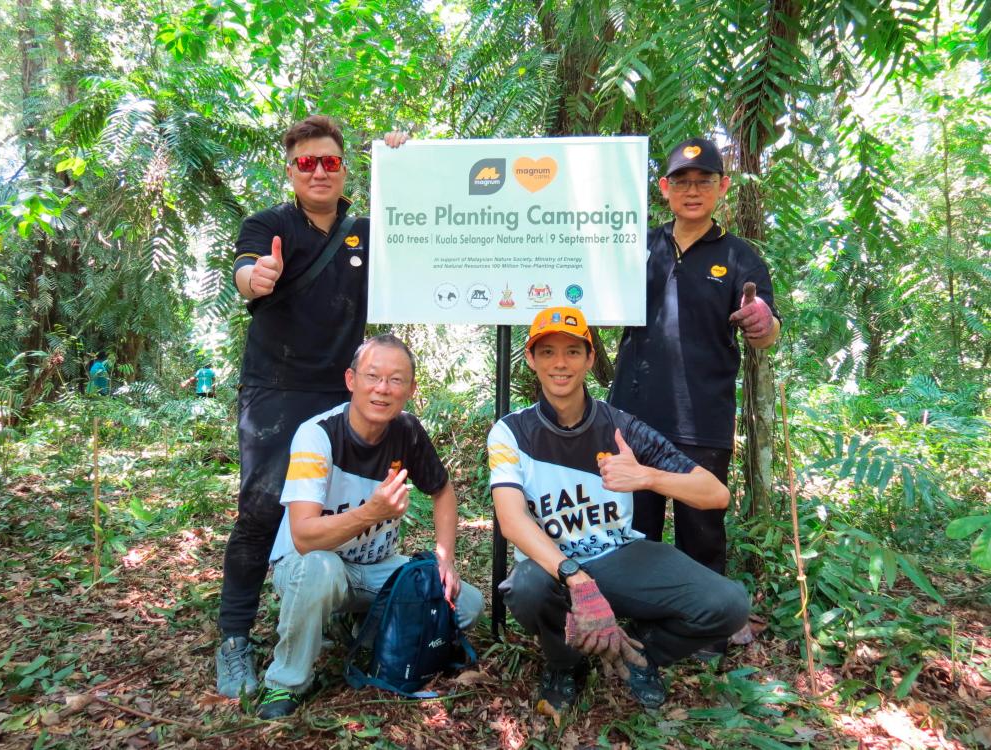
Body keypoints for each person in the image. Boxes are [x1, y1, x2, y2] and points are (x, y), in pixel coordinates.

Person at [216, 115, 409, 698]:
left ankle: (341, 607)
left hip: (344, 391)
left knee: (341, 505)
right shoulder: (268, 224)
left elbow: (416, 233)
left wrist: (401, 162)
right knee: (261, 509)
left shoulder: (364, 232)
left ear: (344, 167)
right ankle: (233, 639)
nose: (319, 171)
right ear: (291, 170)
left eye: (329, 161)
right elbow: (246, 273)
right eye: (306, 163)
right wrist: (258, 275)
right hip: (276, 389)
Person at [489, 307, 750, 713]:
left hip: (619, 554)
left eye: (573, 352)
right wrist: (576, 579)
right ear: (531, 359)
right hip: (553, 564)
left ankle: (642, 659)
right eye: (548, 352)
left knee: (730, 604)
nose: (560, 364)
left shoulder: (621, 426)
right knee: (526, 589)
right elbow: (512, 519)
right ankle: (565, 664)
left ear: (590, 359)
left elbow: (715, 494)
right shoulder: (512, 431)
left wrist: (646, 477)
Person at [255, 334, 483, 719]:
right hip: (312, 564)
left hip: (377, 568)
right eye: (373, 376)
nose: (383, 388)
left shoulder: (407, 431)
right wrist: (370, 513)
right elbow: (304, 536)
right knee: (319, 571)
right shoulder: (319, 435)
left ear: (411, 389)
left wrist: (445, 560)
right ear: (351, 380)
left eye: (396, 380)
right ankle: (285, 684)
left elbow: (443, 492)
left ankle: (359, 626)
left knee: (468, 604)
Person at [609, 138, 780, 647]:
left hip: (702, 416)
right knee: (634, 526)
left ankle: (705, 631)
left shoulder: (739, 256)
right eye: (681, 182)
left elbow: (767, 330)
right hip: (631, 413)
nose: (692, 191)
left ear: (722, 187)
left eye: (704, 181)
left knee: (700, 529)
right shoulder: (636, 245)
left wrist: (761, 320)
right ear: (664, 189)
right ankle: (640, 620)